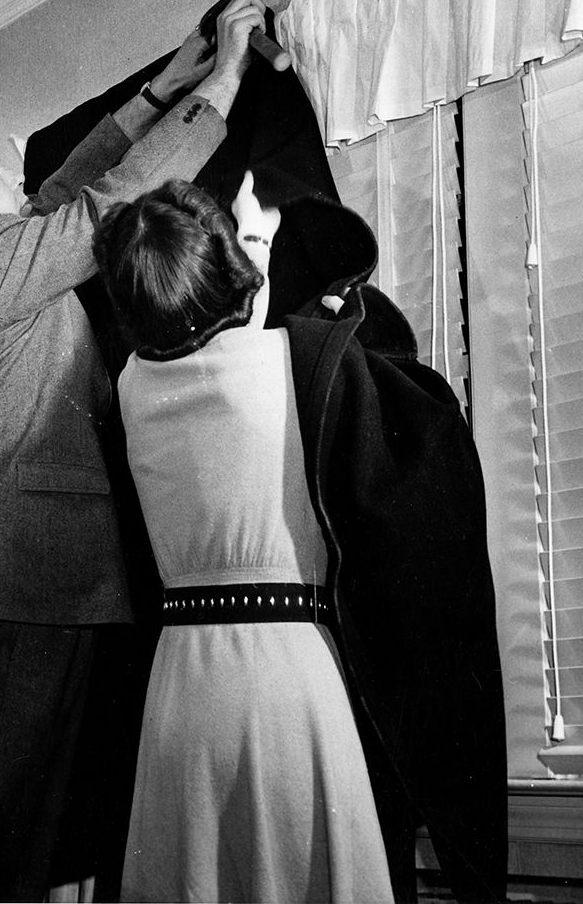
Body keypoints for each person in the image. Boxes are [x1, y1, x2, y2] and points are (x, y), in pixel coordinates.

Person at [0, 0, 267, 902]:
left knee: (12, 873)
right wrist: (226, 77)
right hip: (9, 606)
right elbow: (103, 205)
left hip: (20, 604)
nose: (15, 160)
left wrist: (161, 86)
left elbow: (62, 193)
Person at [91, 173, 396, 903]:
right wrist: (254, 239)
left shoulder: (132, 385)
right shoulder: (299, 359)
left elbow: (218, 326)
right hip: (283, 669)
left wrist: (244, 246)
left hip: (181, 683)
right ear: (231, 269)